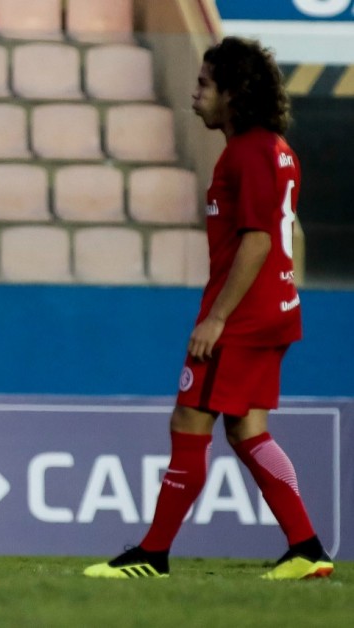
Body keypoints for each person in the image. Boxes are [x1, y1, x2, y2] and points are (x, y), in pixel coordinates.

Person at [84, 37, 333, 581]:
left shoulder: (250, 152)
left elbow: (259, 241)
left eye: (204, 85)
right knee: (247, 431)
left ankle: (153, 554)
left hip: (244, 316)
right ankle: (307, 548)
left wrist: (216, 317)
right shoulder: (272, 148)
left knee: (188, 421)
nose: (194, 94)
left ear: (233, 93)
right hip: (273, 308)